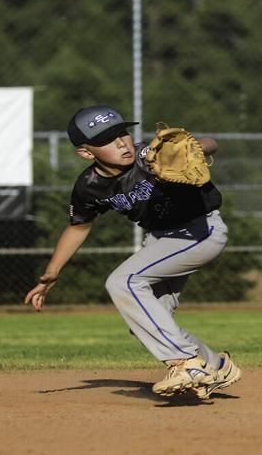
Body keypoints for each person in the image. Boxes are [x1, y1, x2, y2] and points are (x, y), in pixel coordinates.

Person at [23, 105, 240, 401]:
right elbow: (78, 227)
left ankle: (186, 363)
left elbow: (210, 143)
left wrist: (195, 148)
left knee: (122, 281)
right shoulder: (89, 187)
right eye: (106, 140)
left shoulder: (147, 156)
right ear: (86, 153)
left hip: (199, 230)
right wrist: (51, 273)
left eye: (121, 133)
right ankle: (216, 365)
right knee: (148, 321)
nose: (121, 142)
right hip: (160, 241)